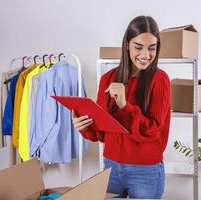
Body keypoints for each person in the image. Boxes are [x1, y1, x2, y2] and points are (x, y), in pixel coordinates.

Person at [72, 15, 170, 199]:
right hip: (111, 168)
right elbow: (100, 133)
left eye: (152, 48)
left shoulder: (160, 80)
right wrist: (84, 126)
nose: (145, 55)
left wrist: (125, 106)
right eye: (138, 47)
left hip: (146, 172)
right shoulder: (107, 79)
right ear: (127, 44)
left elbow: (152, 131)